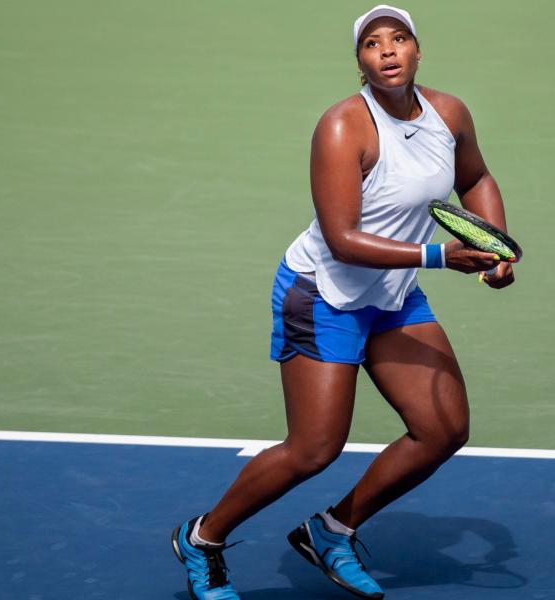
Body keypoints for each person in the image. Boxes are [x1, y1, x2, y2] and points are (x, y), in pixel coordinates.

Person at [171, 5, 517, 599]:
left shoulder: (448, 114)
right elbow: (342, 239)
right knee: (312, 449)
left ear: (417, 50)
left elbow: (476, 177)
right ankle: (202, 537)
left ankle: (332, 531)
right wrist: (442, 257)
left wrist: (495, 245)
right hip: (324, 295)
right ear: (359, 62)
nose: (387, 51)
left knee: (442, 429)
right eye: (372, 44)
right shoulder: (341, 127)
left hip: (393, 294)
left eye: (399, 39)